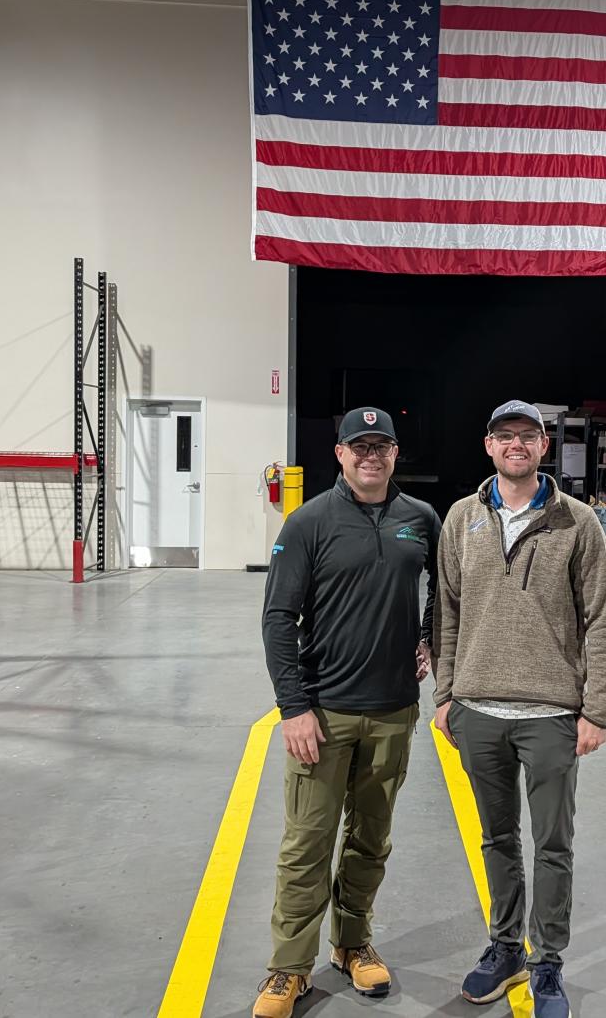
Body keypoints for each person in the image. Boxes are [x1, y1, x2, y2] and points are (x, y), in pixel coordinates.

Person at [432, 400, 606, 1018]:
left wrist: (596, 710)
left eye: (528, 436)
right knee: (498, 840)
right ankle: (505, 948)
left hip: (550, 716)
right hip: (479, 712)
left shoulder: (579, 521)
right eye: (505, 435)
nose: (517, 445)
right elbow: (448, 613)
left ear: (544, 446)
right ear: (489, 445)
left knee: (553, 845)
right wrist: (446, 695)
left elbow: (601, 622)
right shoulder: (462, 518)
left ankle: (549, 965)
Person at [253, 407, 439, 1018]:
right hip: (324, 713)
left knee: (369, 839)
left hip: (393, 712)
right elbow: (278, 619)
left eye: (380, 445)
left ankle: (352, 943)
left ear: (394, 454)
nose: (370, 456)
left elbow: (447, 589)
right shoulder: (308, 522)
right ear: (338, 454)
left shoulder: (420, 520)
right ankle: (288, 967)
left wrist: (430, 636)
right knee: (307, 842)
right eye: (358, 446)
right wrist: (293, 709)